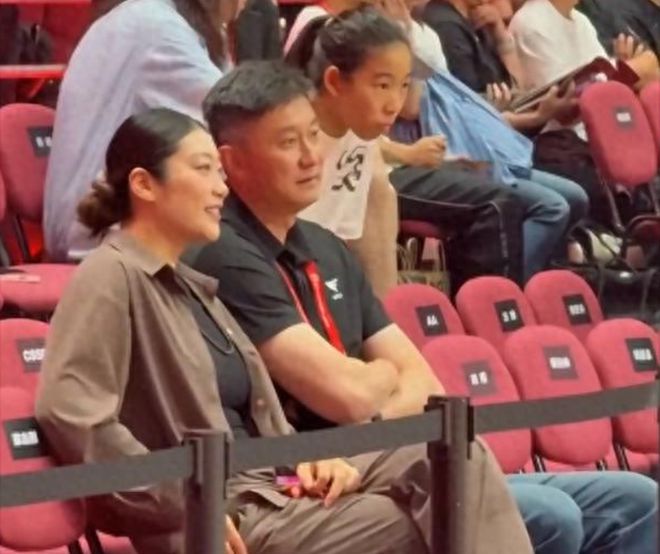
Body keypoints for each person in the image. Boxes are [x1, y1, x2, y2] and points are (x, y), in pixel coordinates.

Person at [193, 60, 659, 554]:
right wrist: (381, 380)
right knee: (542, 509)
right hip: (313, 478)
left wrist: (376, 410)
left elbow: (425, 383)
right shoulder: (225, 253)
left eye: (313, 135)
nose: (312, 156)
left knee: (634, 500)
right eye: (288, 143)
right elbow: (347, 395)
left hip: (384, 459)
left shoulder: (324, 245)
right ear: (233, 162)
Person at [36, 106, 535, 554]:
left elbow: (260, 420)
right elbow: (72, 413)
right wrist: (185, 502)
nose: (220, 187)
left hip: (276, 483)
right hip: (223, 512)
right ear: (145, 185)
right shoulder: (110, 275)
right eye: (203, 169)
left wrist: (307, 461)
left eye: (219, 172)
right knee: (425, 520)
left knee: (453, 452)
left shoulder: (191, 283)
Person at [287, 2, 528, 291]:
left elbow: (366, 271)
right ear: (335, 81)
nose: (394, 104)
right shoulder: (290, 141)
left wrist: (382, 315)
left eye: (403, 85)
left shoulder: (362, 139)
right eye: (383, 86)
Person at [43, 0, 241, 263]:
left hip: (113, 225)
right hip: (103, 232)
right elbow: (239, 123)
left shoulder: (158, 19)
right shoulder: (155, 26)